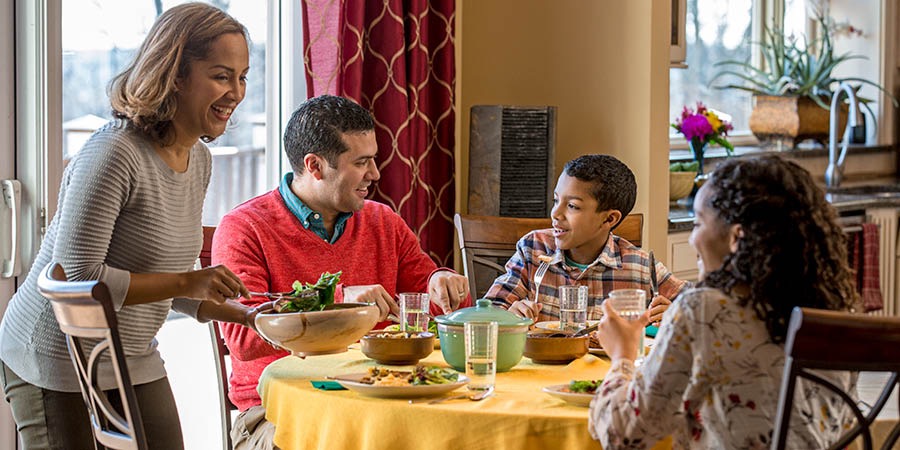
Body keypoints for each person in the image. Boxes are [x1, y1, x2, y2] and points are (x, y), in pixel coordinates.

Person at [0, 4, 262, 449]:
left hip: (131, 353)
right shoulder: (114, 153)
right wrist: (189, 280)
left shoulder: (198, 160)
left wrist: (250, 315)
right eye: (222, 76)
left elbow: (163, 280)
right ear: (175, 75)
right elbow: (79, 277)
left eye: (242, 77)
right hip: (54, 354)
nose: (236, 92)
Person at [213, 94, 472, 450]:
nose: (375, 174)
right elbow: (243, 340)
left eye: (373, 159)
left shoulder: (383, 222)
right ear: (315, 166)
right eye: (361, 162)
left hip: (381, 406)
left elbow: (437, 304)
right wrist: (339, 302)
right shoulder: (244, 228)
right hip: (280, 414)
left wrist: (441, 282)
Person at [590, 155, 858, 449]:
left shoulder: (702, 309)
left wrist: (623, 354)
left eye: (698, 223)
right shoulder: (834, 313)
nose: (692, 240)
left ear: (736, 238)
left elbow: (624, 436)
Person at [484, 154, 686, 326]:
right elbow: (488, 312)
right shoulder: (533, 250)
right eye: (556, 200)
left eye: (572, 206)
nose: (556, 213)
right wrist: (508, 315)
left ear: (609, 219)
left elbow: (698, 309)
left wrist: (675, 316)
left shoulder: (641, 267)